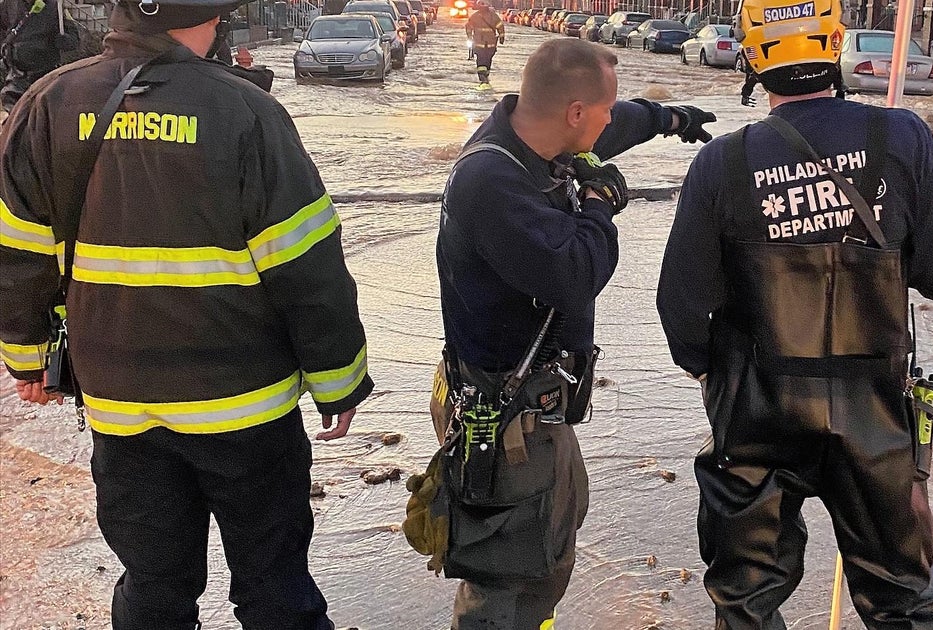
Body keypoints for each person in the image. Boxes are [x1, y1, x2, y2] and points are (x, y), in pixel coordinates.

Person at [0, 0, 373, 626]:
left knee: (154, 584)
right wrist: (338, 380)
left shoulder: (49, 103)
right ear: (211, 17)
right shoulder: (247, 113)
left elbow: (17, 251)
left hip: (121, 408)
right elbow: (307, 267)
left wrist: (28, 358)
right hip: (244, 409)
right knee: (275, 585)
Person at [656, 0, 933, 627]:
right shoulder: (901, 137)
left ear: (752, 57)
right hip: (875, 413)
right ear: (834, 43)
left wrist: (714, 377)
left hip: (757, 408)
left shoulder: (720, 164)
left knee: (745, 599)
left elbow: (684, 309)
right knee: (905, 597)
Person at [425, 38, 715, 629]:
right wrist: (600, 204)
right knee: (507, 577)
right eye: (602, 110)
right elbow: (575, 273)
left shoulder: (538, 137)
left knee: (550, 547)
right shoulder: (492, 182)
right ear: (575, 112)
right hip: (505, 417)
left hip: (535, 408)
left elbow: (617, 124)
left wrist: (672, 119)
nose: (611, 121)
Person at [0, 0, 79, 112]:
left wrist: (66, 40)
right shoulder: (9, 4)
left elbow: (74, 39)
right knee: (15, 120)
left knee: (44, 117)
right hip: (17, 78)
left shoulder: (56, 6)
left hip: (46, 77)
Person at [464, 0, 503, 88]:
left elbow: (500, 26)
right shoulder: (475, 17)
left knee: (487, 61)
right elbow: (468, 26)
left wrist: (502, 36)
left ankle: (485, 77)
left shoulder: (493, 16)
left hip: (490, 45)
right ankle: (482, 79)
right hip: (479, 44)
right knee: (481, 61)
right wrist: (469, 36)